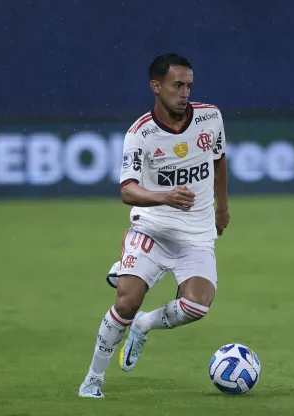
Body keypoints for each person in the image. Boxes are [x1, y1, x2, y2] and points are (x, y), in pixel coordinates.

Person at [78, 53, 230, 399]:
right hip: (152, 230)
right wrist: (165, 197)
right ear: (156, 86)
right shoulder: (140, 134)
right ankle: (93, 380)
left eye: (189, 85)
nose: (184, 92)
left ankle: (145, 326)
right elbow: (127, 191)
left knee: (196, 307)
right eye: (177, 85)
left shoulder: (210, 118)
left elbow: (219, 161)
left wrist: (223, 207)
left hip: (196, 236)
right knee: (127, 300)